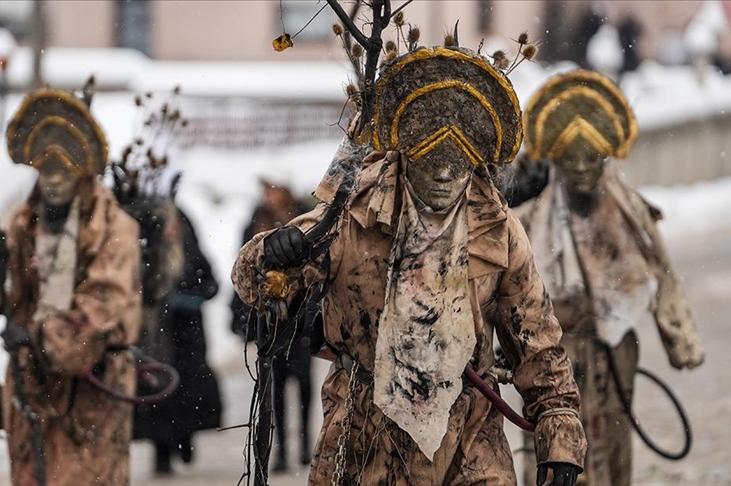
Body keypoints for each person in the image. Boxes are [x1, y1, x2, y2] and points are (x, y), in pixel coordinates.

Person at [232, 46, 586, 486]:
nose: (442, 178)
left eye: (455, 167)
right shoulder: (351, 216)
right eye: (430, 164)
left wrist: (560, 431)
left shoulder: (499, 229)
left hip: (469, 443)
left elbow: (536, 339)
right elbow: (258, 285)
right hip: (364, 440)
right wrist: (272, 253)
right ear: (405, 153)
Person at [513, 70, 705, 486]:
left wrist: (680, 337)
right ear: (556, 158)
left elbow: (661, 269)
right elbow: (508, 288)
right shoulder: (530, 219)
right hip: (554, 357)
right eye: (572, 158)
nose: (581, 168)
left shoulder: (630, 212)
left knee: (612, 445)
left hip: (614, 352)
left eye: (591, 158)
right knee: (556, 451)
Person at [0, 88, 142, 485]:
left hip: (91, 396)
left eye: (65, 170)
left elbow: (100, 309)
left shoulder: (114, 229)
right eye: (46, 170)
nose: (55, 181)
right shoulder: (23, 223)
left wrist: (35, 338)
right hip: (31, 392)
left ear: (83, 171)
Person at [133, 179, 222, 475]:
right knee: (157, 391)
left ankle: (184, 438)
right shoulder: (146, 254)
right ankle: (161, 451)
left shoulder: (190, 252)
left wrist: (184, 300)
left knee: (187, 394)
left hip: (187, 335)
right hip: (155, 335)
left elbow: (210, 285)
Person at [230, 175, 315, 472]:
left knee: (303, 384)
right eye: (265, 190)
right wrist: (241, 314)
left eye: (272, 189)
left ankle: (304, 444)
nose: (268, 195)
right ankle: (277, 450)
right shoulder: (256, 219)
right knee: (274, 388)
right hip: (269, 319)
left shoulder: (304, 217)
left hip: (299, 316)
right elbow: (243, 265)